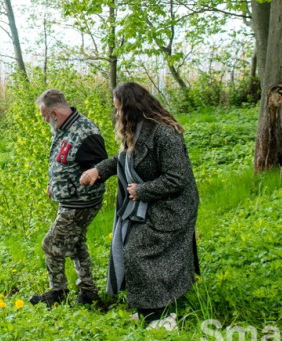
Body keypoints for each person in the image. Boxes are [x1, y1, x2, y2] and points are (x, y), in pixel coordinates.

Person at [79, 81, 200, 328]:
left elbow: (177, 178)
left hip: (173, 206)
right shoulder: (138, 130)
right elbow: (124, 159)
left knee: (138, 252)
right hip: (152, 202)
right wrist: (98, 170)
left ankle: (160, 316)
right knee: (131, 249)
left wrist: (142, 190)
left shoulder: (165, 133)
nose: (117, 114)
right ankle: (150, 309)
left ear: (132, 107)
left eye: (119, 108)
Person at [30, 89, 108, 307]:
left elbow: (100, 169)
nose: (45, 121)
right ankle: (88, 292)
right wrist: (55, 184)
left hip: (80, 203)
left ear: (55, 114)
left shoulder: (86, 132)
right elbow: (64, 161)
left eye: (45, 116)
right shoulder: (64, 129)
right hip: (70, 200)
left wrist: (75, 187)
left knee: (50, 244)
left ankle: (58, 292)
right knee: (76, 243)